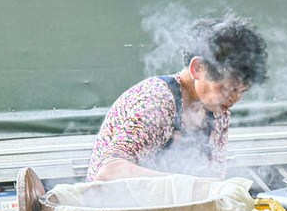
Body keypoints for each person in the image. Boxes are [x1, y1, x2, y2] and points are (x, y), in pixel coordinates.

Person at [88, 13, 268, 182]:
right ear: (197, 68)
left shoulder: (218, 112)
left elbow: (212, 179)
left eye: (241, 92)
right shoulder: (158, 101)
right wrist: (187, 185)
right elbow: (108, 172)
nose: (234, 99)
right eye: (227, 88)